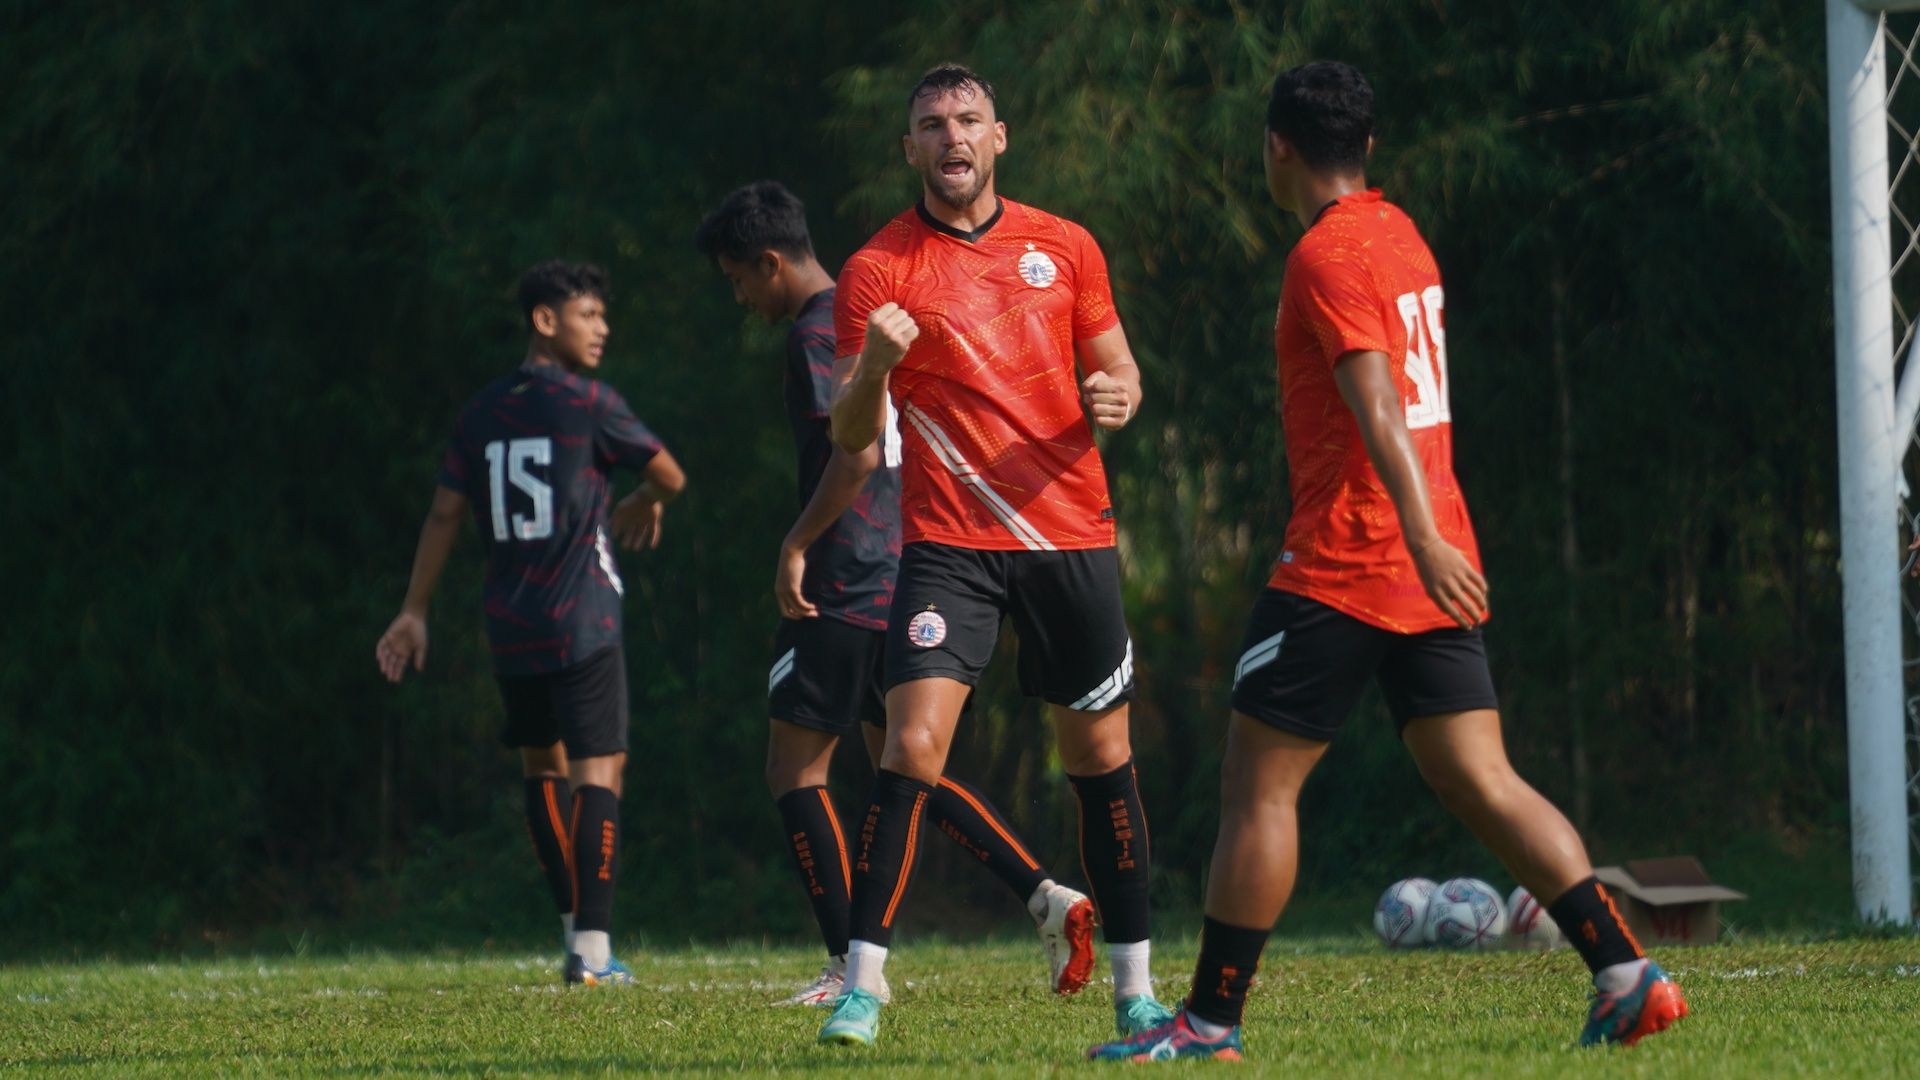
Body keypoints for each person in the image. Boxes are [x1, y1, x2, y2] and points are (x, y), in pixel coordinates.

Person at [1087, 61, 1688, 1063]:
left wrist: (1414, 533)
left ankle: (1209, 1022)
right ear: (1366, 148)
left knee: (1258, 790)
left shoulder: (1324, 257)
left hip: (1350, 560)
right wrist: (1436, 541)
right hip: (1429, 558)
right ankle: (1627, 972)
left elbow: (1379, 403)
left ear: (1277, 147)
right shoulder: (1402, 232)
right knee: (1481, 778)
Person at [814, 64, 1173, 1048]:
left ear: (1000, 136)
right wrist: (877, 366)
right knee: (910, 747)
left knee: (1100, 760)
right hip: (949, 547)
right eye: (931, 124)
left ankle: (1137, 995)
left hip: (1070, 536)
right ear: (910, 151)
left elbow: (1120, 369)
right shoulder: (876, 271)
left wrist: (1119, 399)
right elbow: (852, 431)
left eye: (967, 119)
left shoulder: (1067, 246)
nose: (951, 136)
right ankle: (864, 985)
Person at [693, 180, 1099, 1007]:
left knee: (793, 769)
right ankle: (1046, 898)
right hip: (910, 564)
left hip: (846, 577)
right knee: (907, 764)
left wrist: (796, 544)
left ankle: (849, 964)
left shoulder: (820, 333)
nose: (740, 295)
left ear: (771, 262)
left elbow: (855, 454)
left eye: (739, 278)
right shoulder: (883, 303)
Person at [374, 260, 685, 986]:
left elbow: (445, 512)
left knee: (540, 769)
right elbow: (670, 472)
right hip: (584, 619)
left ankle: (574, 936)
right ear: (545, 322)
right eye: (588, 315)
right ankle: (597, 957)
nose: (603, 328)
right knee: (599, 771)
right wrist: (647, 499)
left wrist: (413, 610)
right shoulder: (590, 402)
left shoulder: (480, 412)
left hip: (511, 624)